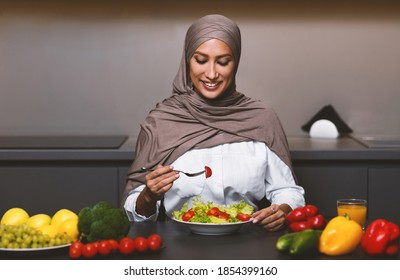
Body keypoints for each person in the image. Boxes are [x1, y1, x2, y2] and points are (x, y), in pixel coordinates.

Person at [123, 14, 305, 231]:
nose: (211, 74)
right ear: (187, 60)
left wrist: (283, 210)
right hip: (179, 247)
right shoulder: (161, 122)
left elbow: (288, 190)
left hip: (248, 242)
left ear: (235, 63)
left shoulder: (261, 118)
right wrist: (148, 195)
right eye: (201, 60)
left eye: (223, 62)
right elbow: (135, 216)